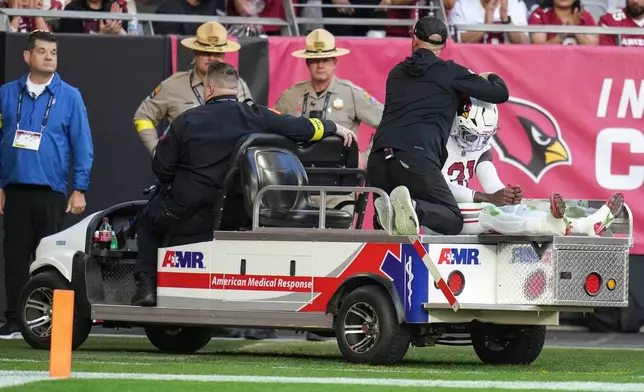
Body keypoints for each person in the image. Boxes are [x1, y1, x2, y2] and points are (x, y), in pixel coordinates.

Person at [130, 61, 356, 308]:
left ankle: (147, 288)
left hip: (189, 213)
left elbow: (161, 168)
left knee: (147, 221)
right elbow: (300, 127)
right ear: (236, 89)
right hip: (238, 213)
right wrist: (332, 126)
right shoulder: (258, 116)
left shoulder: (185, 122)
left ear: (209, 90)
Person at [376, 96, 624, 237]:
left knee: (525, 206)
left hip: (465, 208)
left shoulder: (481, 144)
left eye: (486, 136)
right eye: (474, 136)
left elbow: (492, 183)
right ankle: (551, 225)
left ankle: (586, 223)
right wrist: (488, 198)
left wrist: (506, 194)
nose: (480, 143)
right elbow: (436, 185)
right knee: (492, 214)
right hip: (442, 214)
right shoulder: (436, 142)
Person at [367, 16, 509, 237]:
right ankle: (414, 207)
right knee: (452, 219)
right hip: (415, 158)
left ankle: (389, 214)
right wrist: (487, 75)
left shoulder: (395, 73)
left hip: (378, 160)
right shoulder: (450, 72)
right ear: (443, 45)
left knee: (389, 230)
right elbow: (500, 93)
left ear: (414, 39)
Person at [0, 30, 93, 338]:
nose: (50, 57)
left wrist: (79, 187)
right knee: (14, 259)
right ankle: (14, 319)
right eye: (42, 51)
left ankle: (48, 321)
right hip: (14, 190)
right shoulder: (6, 94)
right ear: (28, 57)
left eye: (53, 52)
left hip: (51, 194)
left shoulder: (70, 96)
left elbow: (82, 144)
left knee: (50, 260)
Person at [274, 29, 383, 219]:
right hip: (296, 188)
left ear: (335, 62)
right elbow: (272, 127)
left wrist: (366, 158)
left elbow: (387, 122)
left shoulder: (350, 93)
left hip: (339, 192)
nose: (320, 65)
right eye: (315, 60)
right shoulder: (291, 96)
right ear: (307, 62)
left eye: (325, 59)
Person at [133, 21, 253, 155]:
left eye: (217, 53)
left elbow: (251, 121)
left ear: (224, 55)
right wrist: (157, 152)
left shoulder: (239, 84)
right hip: (186, 168)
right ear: (195, 53)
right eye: (205, 52)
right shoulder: (173, 85)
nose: (212, 58)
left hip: (227, 167)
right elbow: (143, 116)